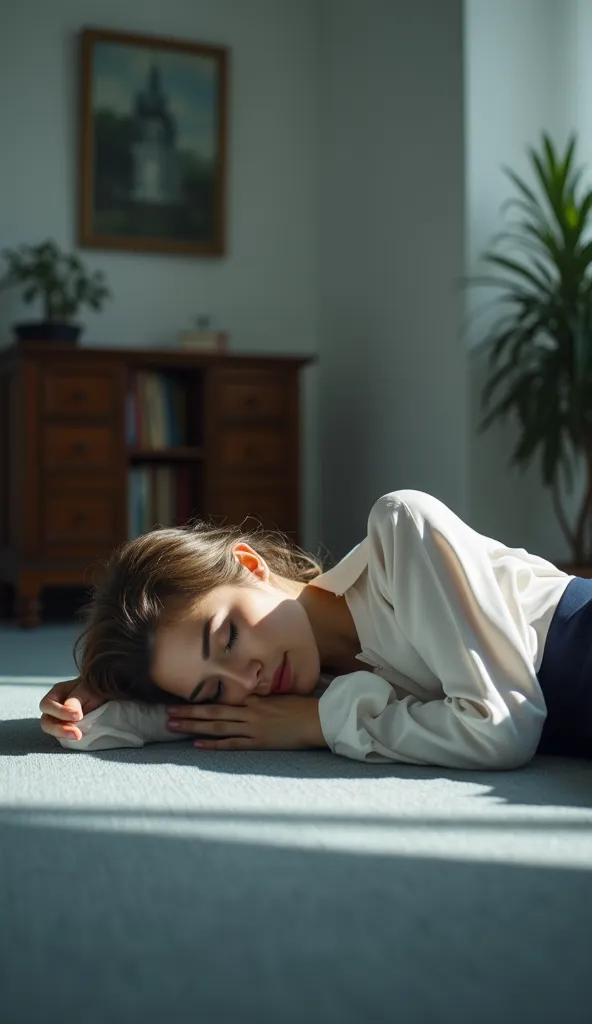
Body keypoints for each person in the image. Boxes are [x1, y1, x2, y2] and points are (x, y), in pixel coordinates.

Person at [39, 489, 591, 767]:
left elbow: (501, 729)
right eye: (215, 688)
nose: (246, 680)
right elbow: (191, 719)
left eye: (228, 635)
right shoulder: (301, 686)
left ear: (252, 565)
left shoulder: (403, 533)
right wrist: (91, 700)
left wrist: (319, 727)